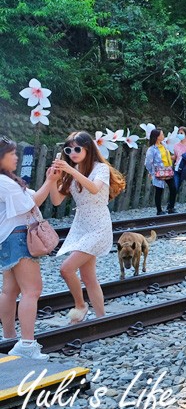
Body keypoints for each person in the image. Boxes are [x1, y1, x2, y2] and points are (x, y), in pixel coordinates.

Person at [51, 132, 125, 324]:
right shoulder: (71, 170)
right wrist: (53, 179)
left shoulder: (100, 168)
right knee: (88, 277)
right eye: (69, 150)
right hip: (81, 225)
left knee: (66, 269)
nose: (72, 153)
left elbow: (94, 188)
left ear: (88, 148)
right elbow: (57, 200)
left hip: (99, 225)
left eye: (77, 149)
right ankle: (102, 319)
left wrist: (71, 170)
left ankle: (81, 306)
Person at [0, 136, 61, 359]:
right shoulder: (4, 182)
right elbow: (32, 203)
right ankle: (27, 344)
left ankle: (9, 337)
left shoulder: (6, 180)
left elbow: (34, 197)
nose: (16, 157)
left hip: (7, 238)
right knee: (32, 290)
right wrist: (50, 181)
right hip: (18, 238)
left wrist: (49, 180)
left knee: (9, 290)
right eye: (11, 154)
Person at [145, 128, 177, 215]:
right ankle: (159, 210)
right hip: (158, 171)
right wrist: (151, 172)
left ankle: (171, 207)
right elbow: (148, 162)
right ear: (157, 137)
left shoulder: (164, 145)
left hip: (168, 170)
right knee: (159, 190)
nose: (163, 136)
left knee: (173, 188)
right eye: (162, 134)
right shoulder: (151, 149)